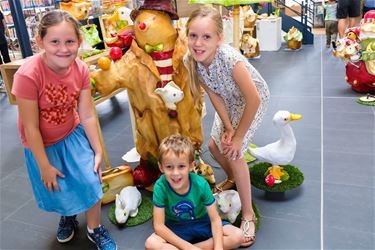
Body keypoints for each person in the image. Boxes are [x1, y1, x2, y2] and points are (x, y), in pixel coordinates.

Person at [11, 10, 117, 250]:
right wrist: (44, 165)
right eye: (54, 42)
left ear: (79, 41)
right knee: (60, 188)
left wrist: (98, 150)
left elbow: (88, 113)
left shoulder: (80, 69)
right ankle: (68, 215)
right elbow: (30, 127)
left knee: (91, 181)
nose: (63, 49)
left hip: (72, 133)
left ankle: (94, 228)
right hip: (42, 145)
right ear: (40, 42)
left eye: (70, 41)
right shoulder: (28, 75)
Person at [185, 6, 270, 248]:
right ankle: (234, 177)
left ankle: (248, 215)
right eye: (193, 36)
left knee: (234, 152)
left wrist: (238, 136)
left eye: (206, 37)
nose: (198, 43)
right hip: (228, 101)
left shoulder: (231, 60)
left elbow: (254, 99)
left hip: (251, 100)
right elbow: (215, 94)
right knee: (213, 144)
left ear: (219, 38)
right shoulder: (195, 60)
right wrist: (228, 127)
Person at [145, 134, 244, 250]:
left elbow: (215, 219)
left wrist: (218, 247)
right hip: (175, 227)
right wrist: (188, 248)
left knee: (238, 236)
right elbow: (159, 226)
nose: (175, 173)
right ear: (161, 167)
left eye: (181, 166)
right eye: (169, 167)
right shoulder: (160, 186)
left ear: (191, 166)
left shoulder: (201, 184)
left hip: (202, 223)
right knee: (151, 244)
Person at [0, 10, 11, 93]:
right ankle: (4, 80)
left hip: (2, 38)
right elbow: (4, 24)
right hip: (2, 38)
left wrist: (7, 34)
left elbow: (4, 24)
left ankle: (7, 79)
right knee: (5, 58)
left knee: (6, 58)